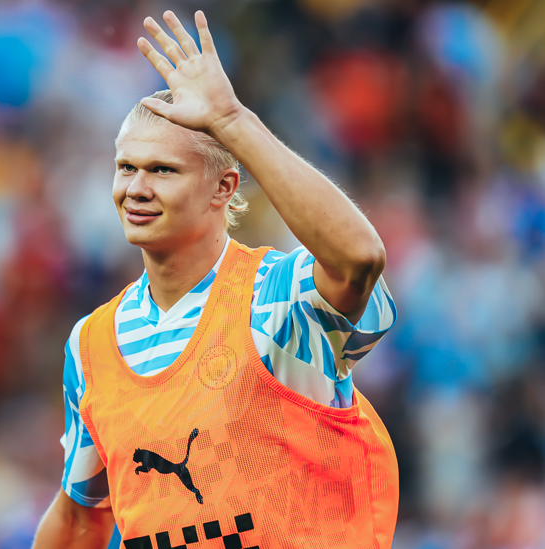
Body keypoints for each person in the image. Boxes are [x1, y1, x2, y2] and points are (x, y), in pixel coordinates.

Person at [33, 10, 398, 549]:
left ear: (223, 188)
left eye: (163, 170)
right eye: (126, 167)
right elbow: (80, 518)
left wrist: (229, 119)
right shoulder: (91, 344)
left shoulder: (276, 297)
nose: (135, 187)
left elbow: (359, 258)